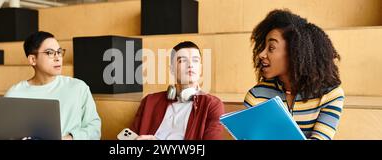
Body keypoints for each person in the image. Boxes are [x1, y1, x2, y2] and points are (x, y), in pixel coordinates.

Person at [244, 9, 345, 140]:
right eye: (263, 47)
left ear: (294, 51)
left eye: (271, 48)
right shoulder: (256, 96)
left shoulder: (330, 95)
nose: (261, 54)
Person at [5, 31, 101, 140]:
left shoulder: (78, 88)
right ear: (33, 59)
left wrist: (70, 138)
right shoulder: (14, 94)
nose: (58, 57)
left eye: (59, 52)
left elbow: (94, 130)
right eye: (50, 53)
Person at [130, 41, 225, 140]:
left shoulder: (212, 105)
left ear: (200, 68)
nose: (190, 65)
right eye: (182, 61)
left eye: (195, 60)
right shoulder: (149, 101)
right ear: (172, 69)